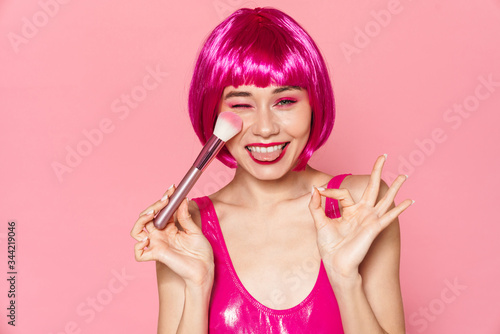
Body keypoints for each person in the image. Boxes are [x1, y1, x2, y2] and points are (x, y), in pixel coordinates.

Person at [130, 7, 413, 334]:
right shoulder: (184, 228)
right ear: (214, 113)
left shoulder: (361, 203)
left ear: (313, 104)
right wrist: (198, 285)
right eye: (241, 104)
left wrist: (346, 279)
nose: (265, 129)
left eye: (285, 102)